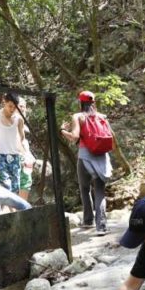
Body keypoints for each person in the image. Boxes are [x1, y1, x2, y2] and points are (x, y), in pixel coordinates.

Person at [60, 91, 112, 235]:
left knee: (84, 188)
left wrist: (63, 130)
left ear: (80, 103)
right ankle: (101, 226)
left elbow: (74, 137)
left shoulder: (78, 116)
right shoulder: (102, 117)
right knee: (100, 191)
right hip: (102, 156)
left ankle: (88, 220)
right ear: (93, 102)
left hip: (85, 156)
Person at [17, 97, 36, 201]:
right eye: (20, 106)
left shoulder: (22, 121)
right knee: (23, 182)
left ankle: (22, 208)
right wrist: (25, 155)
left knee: (25, 182)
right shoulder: (12, 120)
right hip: (18, 156)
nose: (22, 108)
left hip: (24, 156)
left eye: (24, 106)